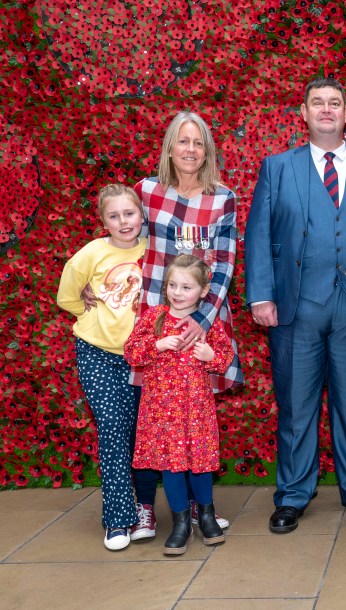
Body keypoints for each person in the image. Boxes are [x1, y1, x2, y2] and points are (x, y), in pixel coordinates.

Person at [245, 77, 346, 533]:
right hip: (295, 308)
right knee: (296, 405)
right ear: (304, 113)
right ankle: (294, 492)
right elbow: (258, 232)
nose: (326, 109)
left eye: (334, 102)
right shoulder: (278, 168)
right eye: (317, 103)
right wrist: (261, 295)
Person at [121, 111, 241, 541]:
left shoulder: (223, 198)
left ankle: (197, 507)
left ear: (207, 150)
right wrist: (95, 281)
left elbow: (225, 265)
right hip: (155, 319)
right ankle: (149, 508)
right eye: (183, 141)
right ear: (170, 146)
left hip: (204, 318)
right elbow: (122, 234)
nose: (190, 150)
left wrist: (202, 320)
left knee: (194, 417)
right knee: (153, 417)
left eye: (198, 143)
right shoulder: (147, 192)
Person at [56, 184, 147, 551]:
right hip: (98, 353)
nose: (123, 222)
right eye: (114, 216)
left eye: (129, 213)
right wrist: (89, 314)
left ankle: (153, 510)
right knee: (112, 428)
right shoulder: (91, 253)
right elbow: (67, 296)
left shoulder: (154, 251)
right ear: (103, 220)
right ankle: (117, 521)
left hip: (144, 356)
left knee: (143, 432)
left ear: (141, 214)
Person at [124, 254, 234, 555]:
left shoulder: (204, 323)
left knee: (199, 464)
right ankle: (180, 523)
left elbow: (225, 357)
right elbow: (132, 352)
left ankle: (207, 516)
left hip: (195, 409)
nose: (177, 292)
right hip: (161, 411)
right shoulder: (153, 317)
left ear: (202, 290)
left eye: (186, 287)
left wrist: (210, 356)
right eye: (173, 285)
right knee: (171, 467)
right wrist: (156, 345)